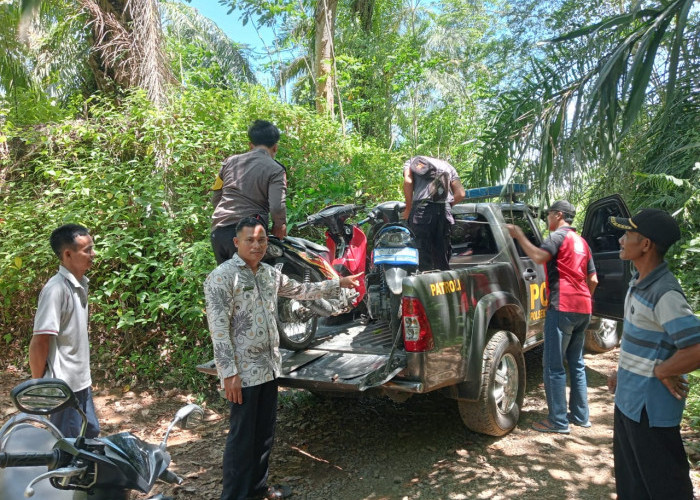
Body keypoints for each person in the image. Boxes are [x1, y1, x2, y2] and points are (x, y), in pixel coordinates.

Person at [204, 217, 360, 500]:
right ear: (236, 243)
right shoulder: (221, 278)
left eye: (261, 240)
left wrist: (338, 283)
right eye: (249, 240)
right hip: (243, 372)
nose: (256, 245)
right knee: (242, 439)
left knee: (263, 436)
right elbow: (218, 330)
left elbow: (302, 291)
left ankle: (258, 490)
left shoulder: (268, 273)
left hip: (269, 367)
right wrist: (228, 373)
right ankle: (236, 495)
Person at [607, 209, 700, 500]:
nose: (621, 240)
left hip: (651, 412)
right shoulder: (638, 282)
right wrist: (619, 373)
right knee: (632, 483)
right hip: (628, 403)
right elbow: (641, 339)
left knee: (665, 487)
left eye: (627, 234)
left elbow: (696, 347)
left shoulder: (665, 293)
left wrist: (663, 371)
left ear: (645, 244)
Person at [506, 200, 597, 433]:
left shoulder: (558, 236)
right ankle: (580, 415)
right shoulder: (582, 243)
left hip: (562, 306)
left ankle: (558, 421)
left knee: (553, 366)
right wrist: (582, 299)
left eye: (548, 215)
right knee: (576, 363)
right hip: (583, 307)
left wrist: (518, 235)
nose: (547, 219)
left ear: (558, 215)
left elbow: (538, 257)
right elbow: (593, 280)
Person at [29, 223, 100, 438]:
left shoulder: (79, 284)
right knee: (69, 450)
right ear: (68, 254)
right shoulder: (56, 289)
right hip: (64, 386)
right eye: (87, 250)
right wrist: (39, 385)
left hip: (80, 382)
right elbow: (40, 340)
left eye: (92, 248)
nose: (93, 254)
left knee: (90, 437)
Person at [210, 120, 287, 265]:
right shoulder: (275, 169)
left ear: (250, 145)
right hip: (249, 235)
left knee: (228, 284)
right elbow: (277, 207)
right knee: (251, 285)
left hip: (218, 232)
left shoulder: (228, 162)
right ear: (275, 147)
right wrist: (280, 225)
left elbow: (216, 198)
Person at [401, 156, 465, 271]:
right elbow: (461, 194)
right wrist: (447, 207)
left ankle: (425, 282)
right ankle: (443, 282)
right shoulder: (448, 166)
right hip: (444, 209)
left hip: (422, 209)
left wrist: (408, 209)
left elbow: (408, 181)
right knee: (442, 252)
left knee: (422, 252)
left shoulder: (412, 161)